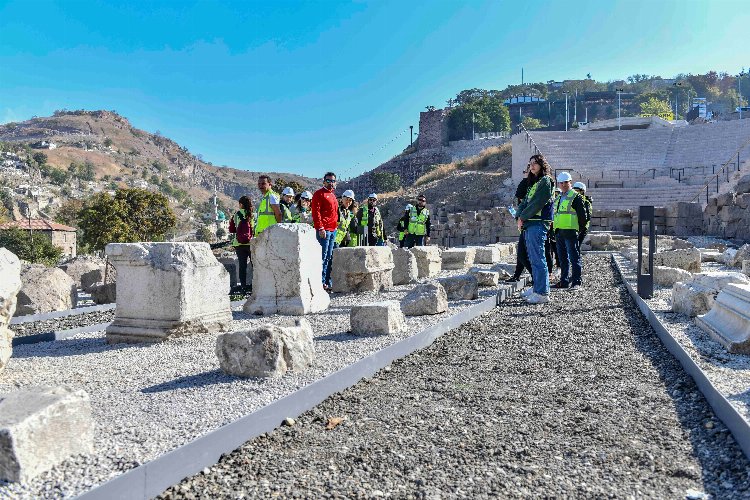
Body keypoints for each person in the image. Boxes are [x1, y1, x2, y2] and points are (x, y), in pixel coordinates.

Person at [516, 154, 554, 304]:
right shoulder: (534, 183)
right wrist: (519, 216)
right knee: (533, 257)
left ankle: (542, 293)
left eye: (535, 163)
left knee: (538, 258)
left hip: (538, 223)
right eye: (530, 163)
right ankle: (537, 287)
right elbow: (525, 201)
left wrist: (522, 217)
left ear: (542, 165)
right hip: (530, 223)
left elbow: (537, 203)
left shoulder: (546, 181)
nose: (532, 166)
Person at [552, 172, 589, 290]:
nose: (563, 185)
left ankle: (576, 282)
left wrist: (579, 230)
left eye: (565, 182)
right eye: (561, 183)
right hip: (559, 232)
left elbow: (583, 217)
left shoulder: (576, 197)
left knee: (574, 257)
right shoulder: (558, 198)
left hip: (571, 232)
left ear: (570, 182)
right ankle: (564, 281)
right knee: (562, 259)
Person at [311, 172, 339, 290]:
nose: (331, 183)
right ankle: (320, 282)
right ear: (324, 181)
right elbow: (316, 212)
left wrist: (336, 226)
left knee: (329, 257)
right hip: (324, 230)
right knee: (322, 257)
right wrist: (320, 227)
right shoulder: (319, 194)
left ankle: (327, 282)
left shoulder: (333, 196)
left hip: (333, 230)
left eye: (333, 181)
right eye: (328, 181)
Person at [508, 166, 532, 282]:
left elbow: (520, 195)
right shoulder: (528, 183)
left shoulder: (531, 184)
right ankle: (517, 275)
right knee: (521, 253)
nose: (524, 173)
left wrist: (525, 178)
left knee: (524, 254)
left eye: (525, 171)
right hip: (524, 223)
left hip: (531, 223)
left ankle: (536, 276)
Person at [228, 195, 254, 294]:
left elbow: (231, 229)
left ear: (241, 204)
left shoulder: (237, 214)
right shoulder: (253, 215)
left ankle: (243, 286)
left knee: (242, 266)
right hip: (251, 243)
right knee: (253, 265)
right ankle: (253, 285)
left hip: (238, 244)